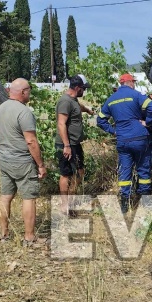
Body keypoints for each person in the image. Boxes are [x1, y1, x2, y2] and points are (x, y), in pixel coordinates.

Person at [0, 78, 48, 246]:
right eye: (29, 91)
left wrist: (4, 152)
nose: (29, 94)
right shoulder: (24, 112)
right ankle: (29, 238)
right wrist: (40, 164)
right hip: (22, 161)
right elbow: (31, 141)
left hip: (4, 159)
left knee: (5, 197)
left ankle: (4, 235)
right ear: (23, 92)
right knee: (29, 198)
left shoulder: (0, 109)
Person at [97, 73, 152, 213]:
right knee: (143, 169)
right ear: (129, 82)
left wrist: (113, 131)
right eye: (134, 82)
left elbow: (100, 120)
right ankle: (145, 203)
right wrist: (148, 122)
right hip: (139, 138)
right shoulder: (135, 95)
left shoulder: (111, 99)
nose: (134, 84)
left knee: (125, 171)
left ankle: (125, 203)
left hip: (122, 140)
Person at [55, 74, 94, 215]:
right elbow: (61, 123)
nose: (85, 91)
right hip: (66, 144)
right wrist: (66, 145)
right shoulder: (65, 101)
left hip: (75, 143)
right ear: (77, 88)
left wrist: (88, 110)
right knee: (66, 174)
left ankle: (71, 199)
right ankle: (65, 205)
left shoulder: (74, 100)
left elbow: (78, 107)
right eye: (83, 88)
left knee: (80, 171)